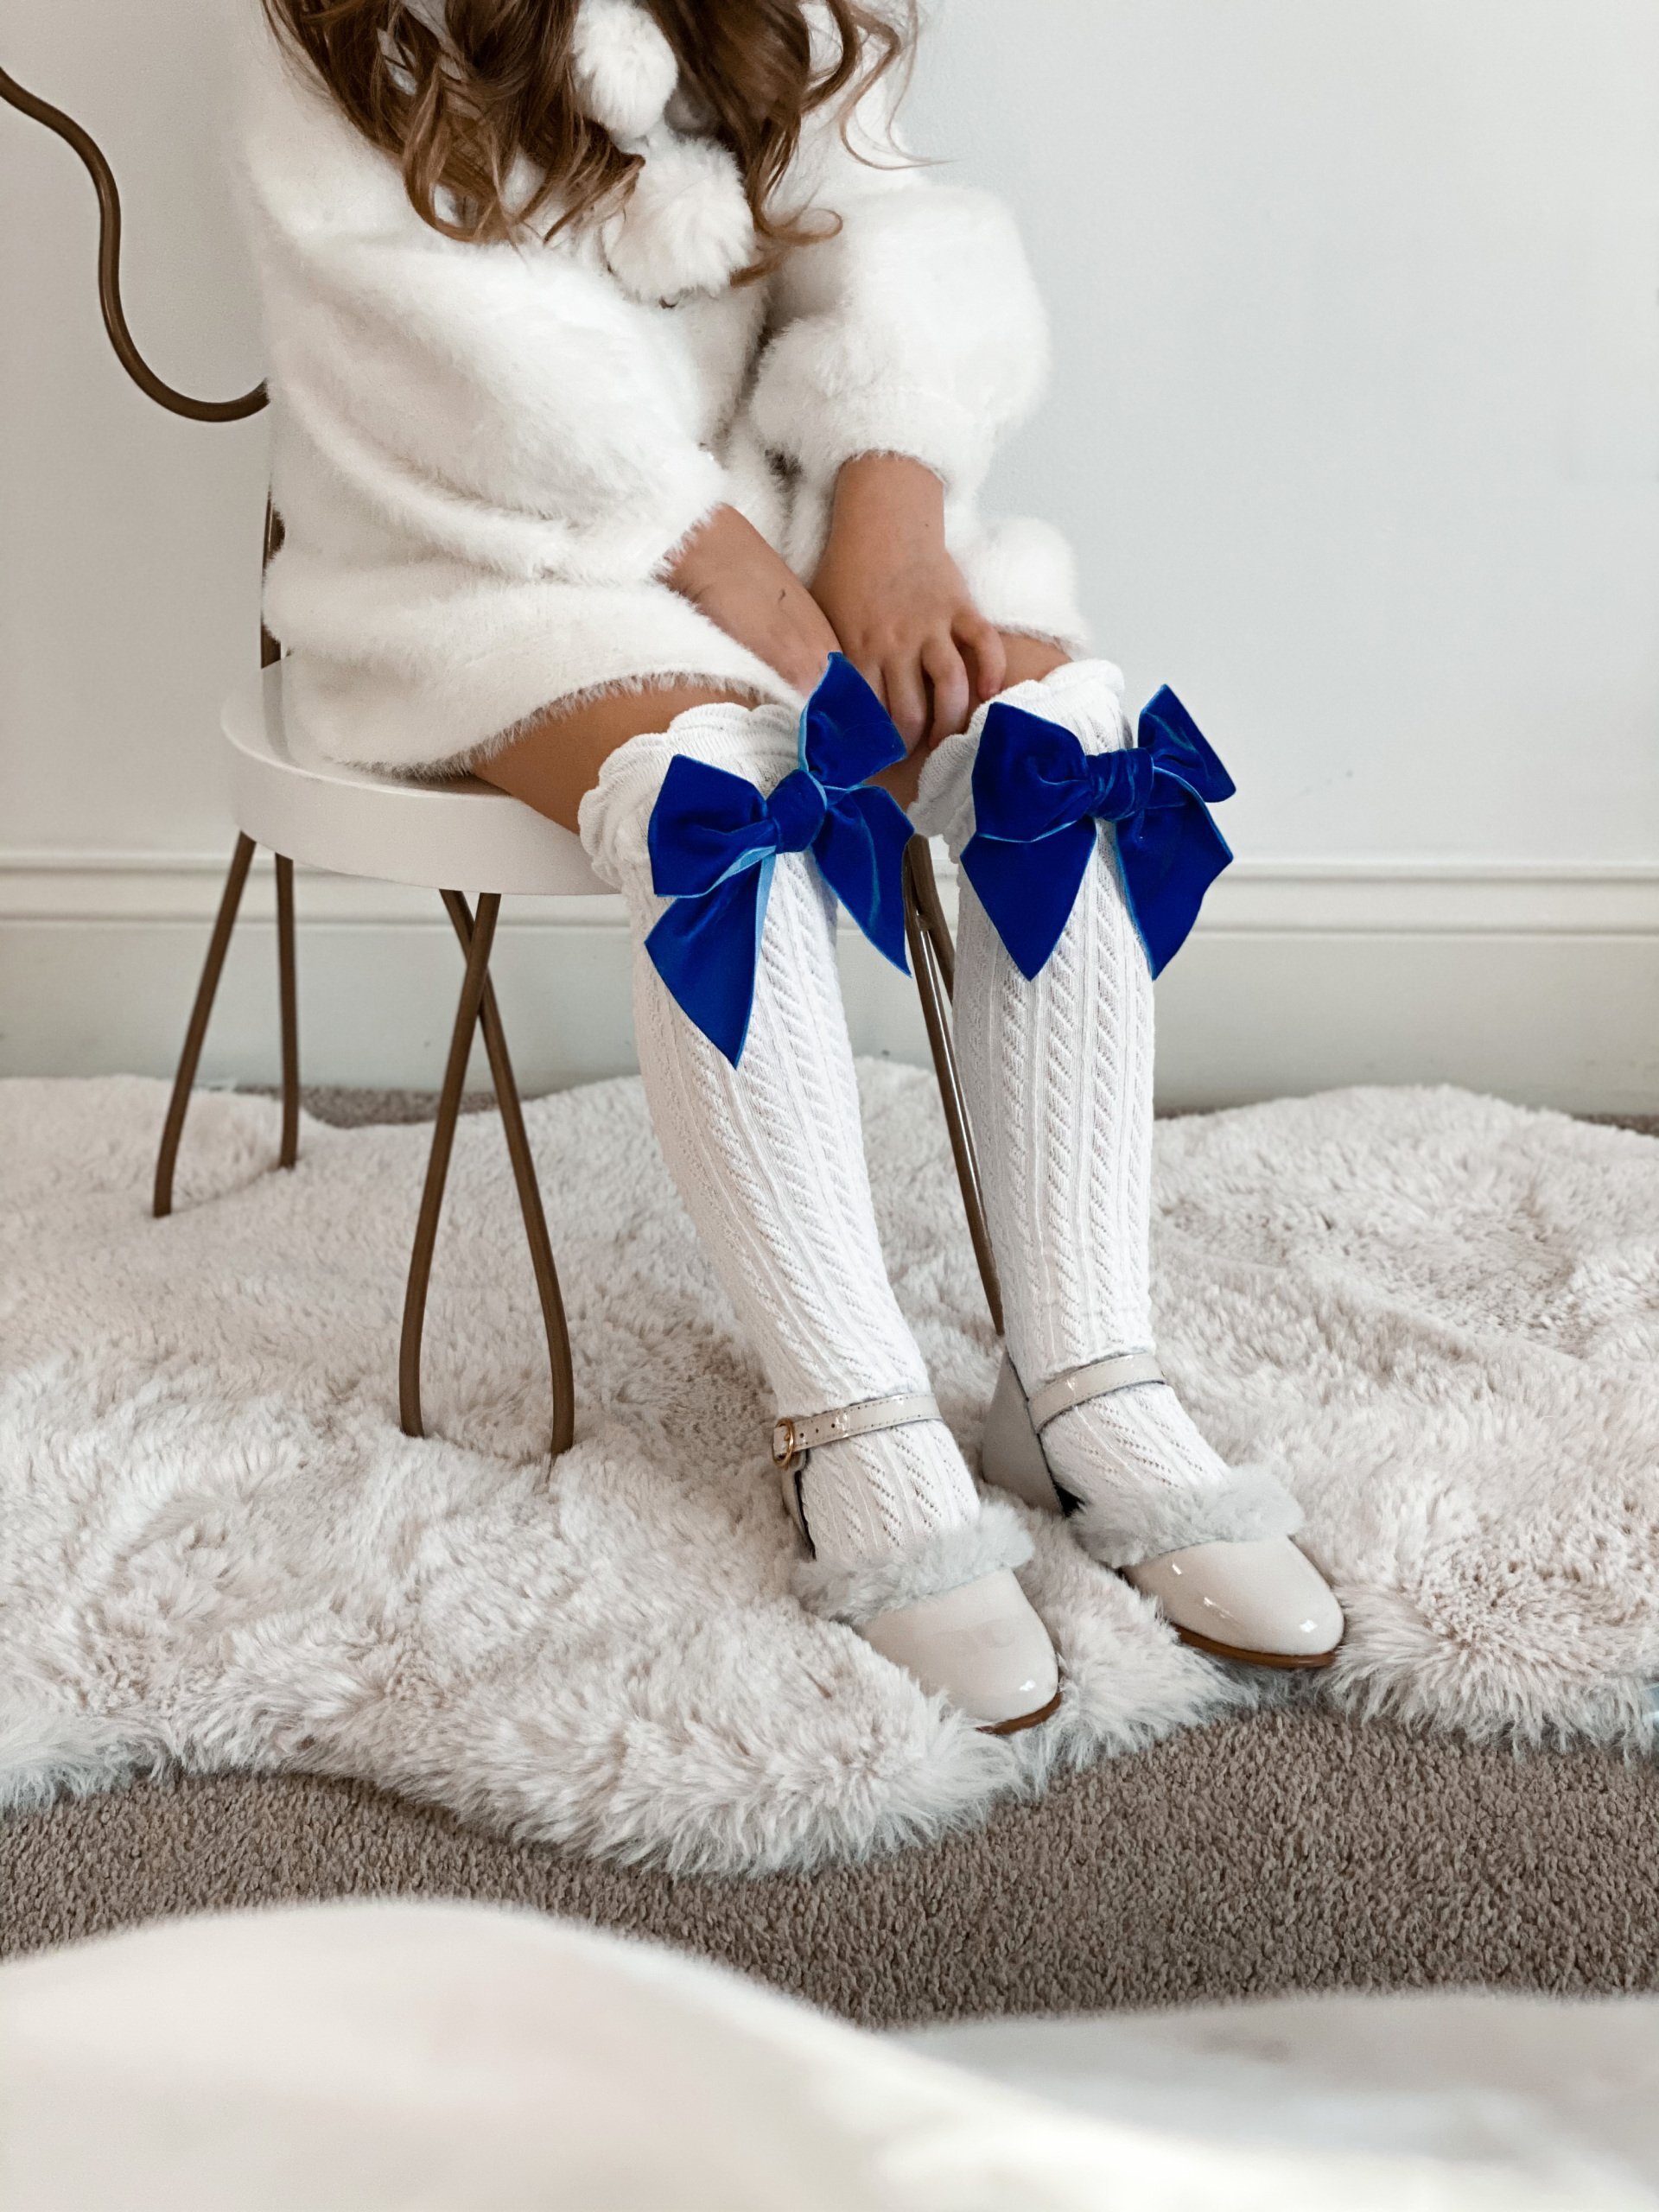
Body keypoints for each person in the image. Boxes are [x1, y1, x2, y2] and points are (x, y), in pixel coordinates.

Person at [232, 0, 1344, 1733]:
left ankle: (1085, 1375)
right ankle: (852, 1415)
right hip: (488, 546)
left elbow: (899, 224)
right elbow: (415, 331)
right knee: (720, 796)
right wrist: (769, 610)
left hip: (793, 506)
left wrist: (891, 524)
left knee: (1066, 751)